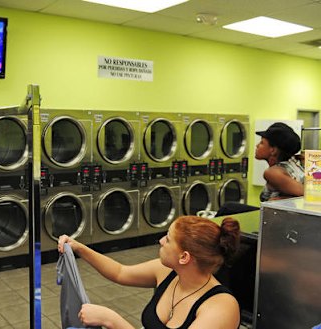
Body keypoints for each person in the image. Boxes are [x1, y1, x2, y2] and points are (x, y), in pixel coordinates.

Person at [57, 216, 241, 329]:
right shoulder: (168, 272)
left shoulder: (221, 308)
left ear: (184, 257)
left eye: (168, 239)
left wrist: (111, 320)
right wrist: (79, 248)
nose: (161, 241)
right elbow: (120, 272)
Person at [216, 122, 304, 216]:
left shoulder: (273, 173)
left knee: (227, 208)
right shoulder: (293, 163)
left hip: (275, 221)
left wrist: (280, 201)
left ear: (273, 150)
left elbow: (306, 194)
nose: (257, 145)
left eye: (262, 143)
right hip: (277, 217)